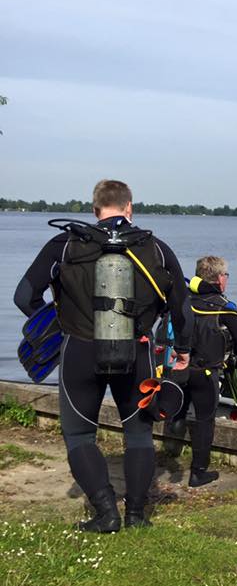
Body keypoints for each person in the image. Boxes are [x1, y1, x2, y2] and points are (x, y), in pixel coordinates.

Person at [13, 179, 192, 531]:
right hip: (137, 350)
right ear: (129, 208)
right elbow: (181, 308)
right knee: (138, 435)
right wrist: (182, 351)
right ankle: (137, 516)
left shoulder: (64, 244)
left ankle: (106, 511)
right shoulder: (155, 249)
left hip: (79, 349)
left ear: (95, 210)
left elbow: (24, 295)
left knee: (80, 435)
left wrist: (55, 325)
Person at [170, 256, 237, 487]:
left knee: (181, 409)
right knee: (205, 422)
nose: (226, 280)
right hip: (206, 373)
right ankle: (198, 472)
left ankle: (176, 423)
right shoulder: (224, 307)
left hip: (181, 368)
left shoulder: (184, 300)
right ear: (219, 279)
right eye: (226, 276)